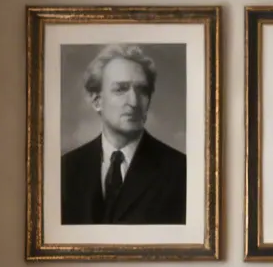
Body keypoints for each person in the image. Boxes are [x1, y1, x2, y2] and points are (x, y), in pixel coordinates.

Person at [60, 44, 187, 224]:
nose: (134, 102)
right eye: (120, 89)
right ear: (97, 101)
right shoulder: (66, 169)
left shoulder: (181, 171)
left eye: (142, 90)